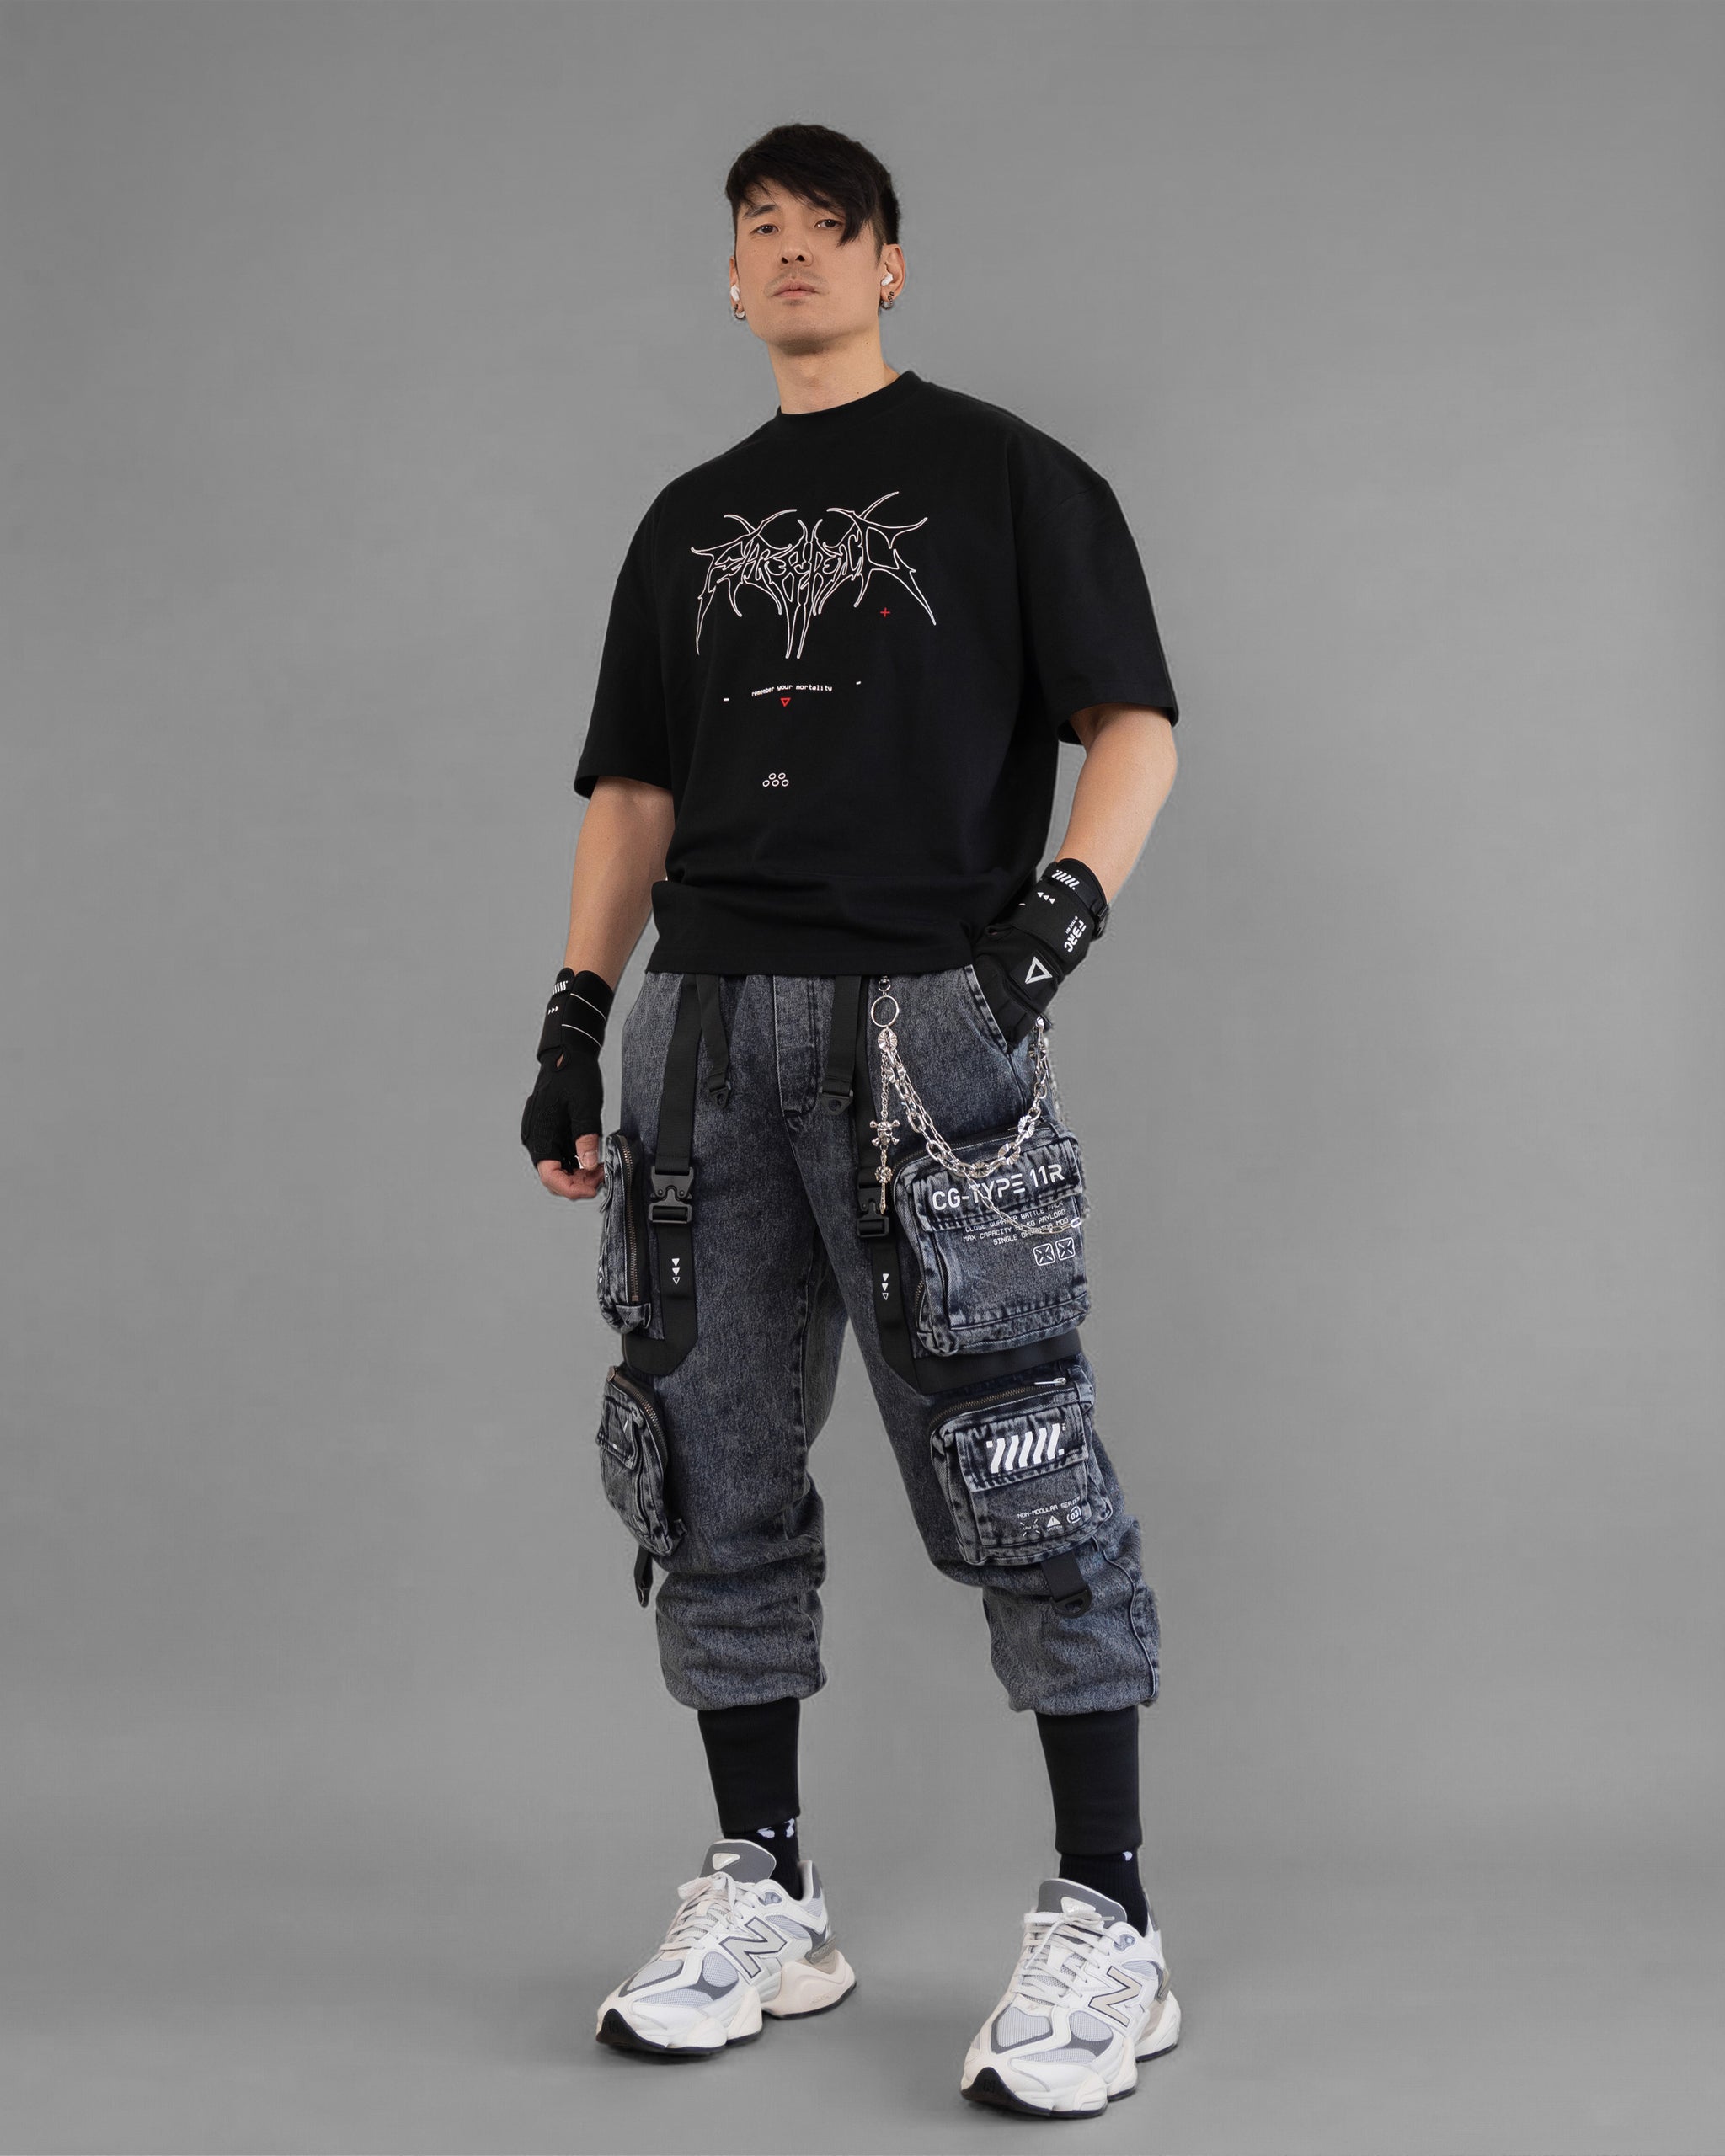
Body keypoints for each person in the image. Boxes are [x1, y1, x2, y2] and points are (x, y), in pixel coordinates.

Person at [521, 121, 1183, 2119]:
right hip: (704, 1022)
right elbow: (634, 791)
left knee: (1016, 1452)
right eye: (761, 231)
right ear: (729, 278)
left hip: (927, 1024)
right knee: (703, 1452)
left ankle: (1109, 1911)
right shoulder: (686, 520)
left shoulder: (1006, 476)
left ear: (891, 263)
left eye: (830, 228)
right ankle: (767, 1887)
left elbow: (1133, 718)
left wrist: (1045, 936)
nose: (792, 254)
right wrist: (575, 1017)